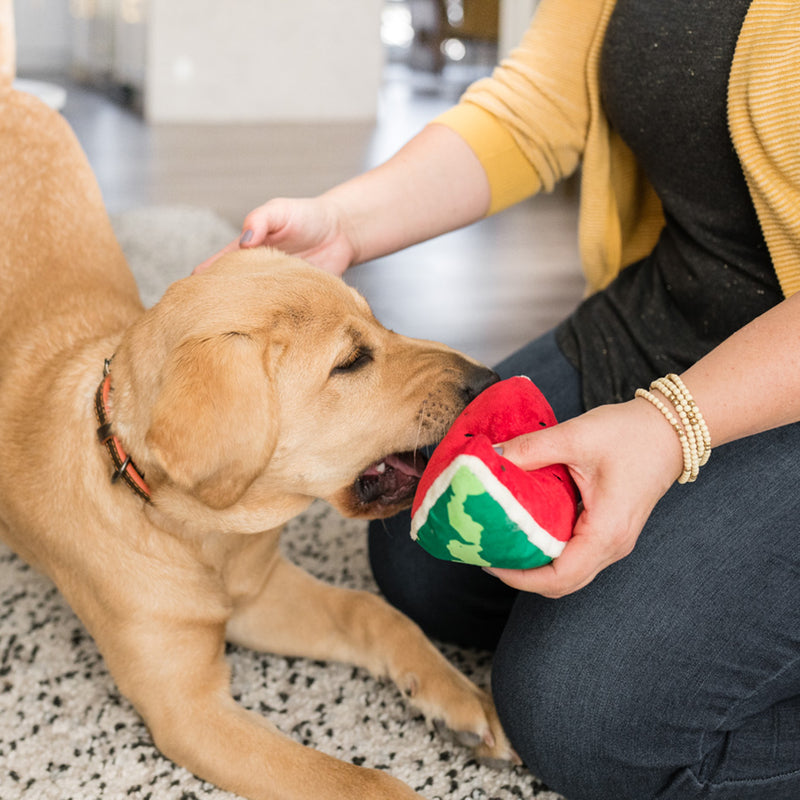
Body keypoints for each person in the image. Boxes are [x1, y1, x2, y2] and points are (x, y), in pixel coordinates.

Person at [201, 1, 800, 798]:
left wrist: (669, 427)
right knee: (425, 548)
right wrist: (342, 223)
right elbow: (532, 108)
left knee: (578, 714)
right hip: (668, 318)